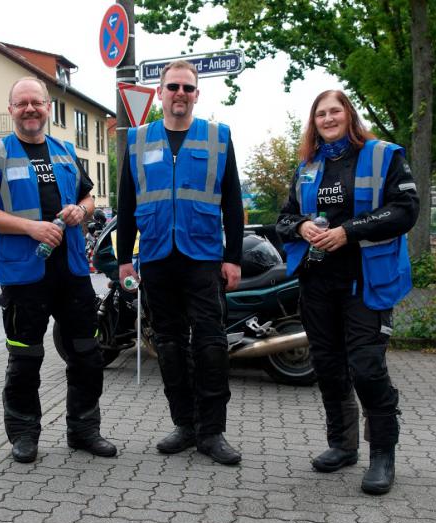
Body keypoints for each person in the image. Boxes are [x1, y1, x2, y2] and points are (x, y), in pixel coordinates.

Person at [276, 89, 419, 494]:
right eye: (320, 113)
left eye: (335, 110)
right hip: (317, 284)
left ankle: (382, 456)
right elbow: (284, 219)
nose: (327, 118)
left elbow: (406, 209)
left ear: (349, 114)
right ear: (314, 121)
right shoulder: (308, 164)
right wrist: (302, 226)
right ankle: (342, 445)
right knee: (328, 368)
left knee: (367, 368)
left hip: (366, 282)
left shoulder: (383, 155)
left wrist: (348, 232)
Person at [0, 77, 117, 464]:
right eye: (22, 103)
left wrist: (81, 211)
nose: (30, 109)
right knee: (25, 359)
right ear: (11, 110)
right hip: (24, 276)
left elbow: (88, 198)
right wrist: (30, 227)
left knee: (87, 354)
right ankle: (24, 435)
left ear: (47, 107)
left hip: (70, 272)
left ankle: (84, 430)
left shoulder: (66, 151)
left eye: (36, 102)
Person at [117, 60, 244, 465]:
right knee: (168, 346)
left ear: (197, 95)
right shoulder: (138, 140)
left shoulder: (217, 137)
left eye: (188, 88)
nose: (180, 94)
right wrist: (123, 260)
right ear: (160, 92)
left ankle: (212, 431)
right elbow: (125, 203)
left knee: (210, 345)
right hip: (156, 256)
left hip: (203, 256)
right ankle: (185, 425)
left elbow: (233, 202)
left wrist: (233, 258)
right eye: (173, 87)